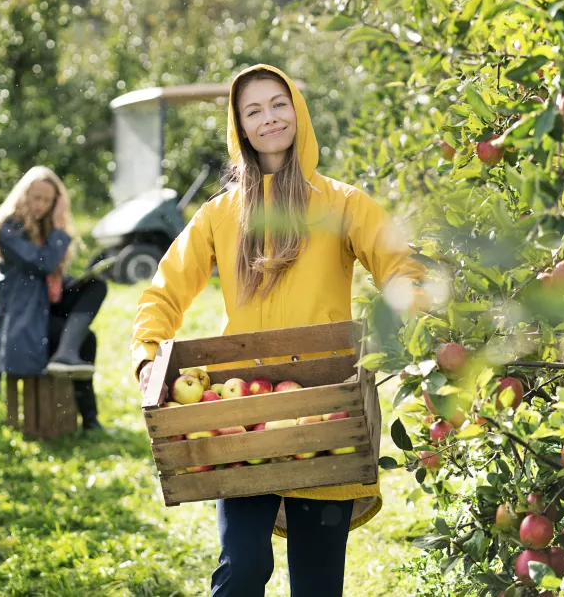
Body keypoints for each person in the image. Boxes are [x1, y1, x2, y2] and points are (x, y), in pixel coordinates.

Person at [130, 64, 424, 596]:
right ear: (240, 127)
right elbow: (165, 289)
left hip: (325, 409)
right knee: (241, 568)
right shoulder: (221, 215)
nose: (269, 118)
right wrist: (149, 355)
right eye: (253, 110)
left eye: (278, 103)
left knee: (316, 583)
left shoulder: (340, 203)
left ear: (297, 110)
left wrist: (398, 328)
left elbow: (402, 267)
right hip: (241, 414)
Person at [0, 166, 107, 432]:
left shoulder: (44, 227)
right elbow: (42, 263)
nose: (40, 205)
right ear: (23, 196)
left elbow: (50, 278)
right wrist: (60, 226)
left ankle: (88, 413)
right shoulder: (7, 230)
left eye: (48, 200)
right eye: (36, 198)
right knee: (87, 339)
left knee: (96, 286)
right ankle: (88, 416)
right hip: (25, 318)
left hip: (45, 306)